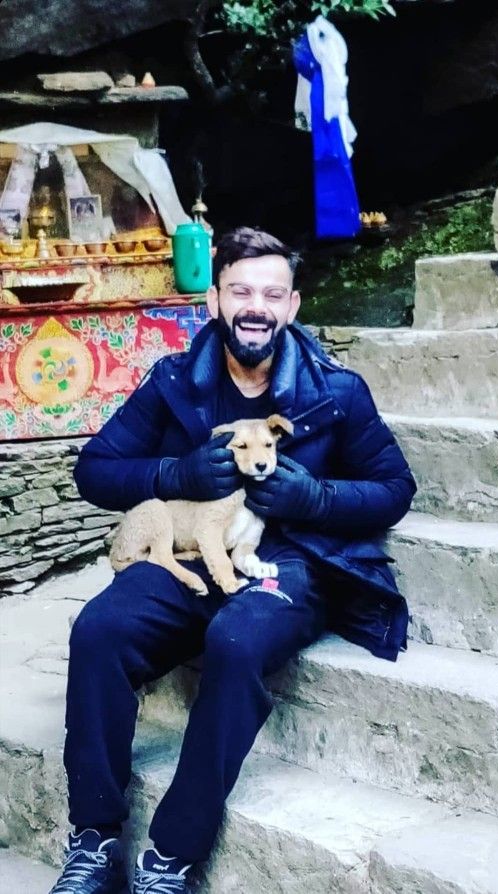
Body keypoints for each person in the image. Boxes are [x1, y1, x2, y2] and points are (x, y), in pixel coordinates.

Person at [49, 227, 416, 894]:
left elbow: (395, 489)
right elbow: (96, 469)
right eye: (241, 290)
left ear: (292, 306)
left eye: (272, 293)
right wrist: (175, 470)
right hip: (190, 549)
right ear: (214, 301)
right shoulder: (174, 381)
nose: (256, 306)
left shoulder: (337, 389)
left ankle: (169, 857)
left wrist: (317, 495)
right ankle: (94, 843)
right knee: (98, 630)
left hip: (292, 559)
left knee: (238, 638)